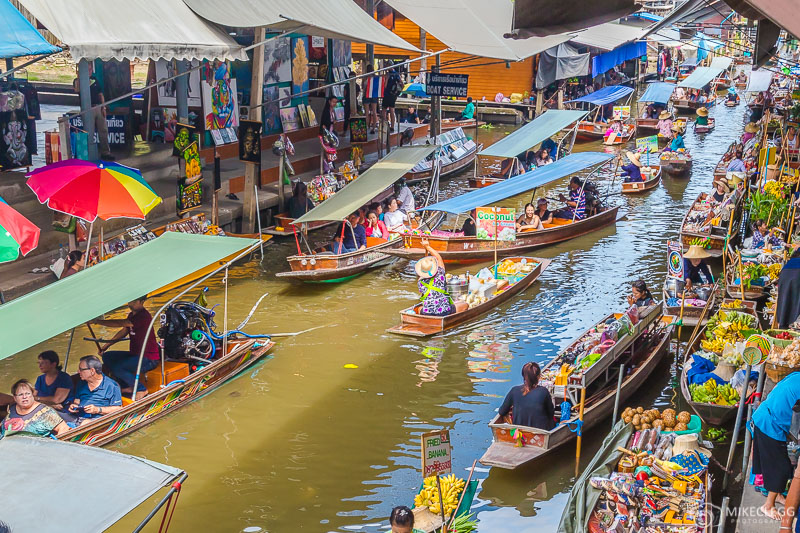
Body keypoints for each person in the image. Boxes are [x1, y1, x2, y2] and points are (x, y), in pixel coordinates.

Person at [751, 371, 800, 520]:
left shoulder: (796, 375)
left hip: (764, 414)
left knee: (773, 461)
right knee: (781, 466)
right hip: (770, 423)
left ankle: (777, 494)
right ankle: (768, 505)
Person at [92, 296, 160, 398]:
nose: (130, 303)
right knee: (107, 356)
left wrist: (97, 321)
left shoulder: (144, 316)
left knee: (118, 367)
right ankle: (125, 385)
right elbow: (124, 331)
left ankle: (141, 389)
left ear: (141, 302)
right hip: (135, 355)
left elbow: (122, 323)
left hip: (148, 359)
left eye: (133, 301)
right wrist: (106, 346)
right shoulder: (132, 316)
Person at [415, 238, 468, 316]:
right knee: (465, 305)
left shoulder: (420, 282)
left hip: (427, 313)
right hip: (444, 311)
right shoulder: (440, 274)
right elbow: (439, 258)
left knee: (419, 308)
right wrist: (428, 247)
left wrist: (426, 248)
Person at [1, 380, 69, 438]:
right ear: (15, 398)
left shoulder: (45, 412)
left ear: (33, 395)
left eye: (27, 393)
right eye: (20, 395)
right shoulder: (12, 409)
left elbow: (64, 428)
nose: (25, 397)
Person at [497, 362, 555, 430]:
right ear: (538, 376)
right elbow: (551, 414)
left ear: (523, 376)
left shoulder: (514, 390)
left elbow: (502, 411)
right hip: (540, 432)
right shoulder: (544, 391)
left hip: (519, 433)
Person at [67, 356, 122, 422]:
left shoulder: (112, 386)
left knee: (86, 422)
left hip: (96, 421)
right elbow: (77, 401)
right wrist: (74, 406)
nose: (78, 371)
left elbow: (118, 409)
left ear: (92, 371)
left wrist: (97, 409)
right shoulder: (81, 383)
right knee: (52, 412)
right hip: (77, 417)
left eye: (81, 369)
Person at [76, 74, 113, 160]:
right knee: (89, 130)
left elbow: (100, 94)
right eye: (87, 69)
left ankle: (106, 152)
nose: (89, 72)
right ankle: (89, 152)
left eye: (90, 69)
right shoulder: (78, 81)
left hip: (98, 107)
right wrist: (79, 77)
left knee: (103, 130)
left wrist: (103, 107)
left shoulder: (95, 79)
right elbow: (77, 90)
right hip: (88, 108)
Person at [777, 248, 800, 329]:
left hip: (785, 272)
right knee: (796, 302)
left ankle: (783, 325)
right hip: (796, 274)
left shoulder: (796, 252)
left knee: (784, 299)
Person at [383, 68, 403, 132]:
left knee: (385, 110)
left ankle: (385, 125)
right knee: (391, 110)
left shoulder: (389, 74)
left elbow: (385, 86)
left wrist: (387, 78)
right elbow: (402, 84)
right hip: (393, 95)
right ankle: (392, 126)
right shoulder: (396, 74)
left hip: (388, 94)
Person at [363, 65, 381, 134]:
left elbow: (363, 87)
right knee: (374, 112)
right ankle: (373, 127)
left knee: (367, 113)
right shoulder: (375, 77)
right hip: (374, 95)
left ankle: (367, 127)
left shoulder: (365, 77)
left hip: (366, 95)